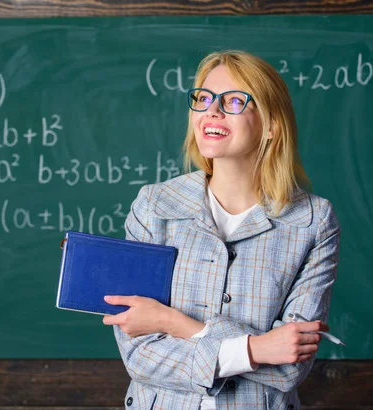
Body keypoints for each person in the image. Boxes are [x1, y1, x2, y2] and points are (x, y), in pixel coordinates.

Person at [102, 50, 340, 409]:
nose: (212, 110)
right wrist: (258, 348)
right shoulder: (154, 207)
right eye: (203, 98)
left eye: (233, 101)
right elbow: (140, 355)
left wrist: (174, 322)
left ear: (271, 124)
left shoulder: (313, 221)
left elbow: (289, 367)